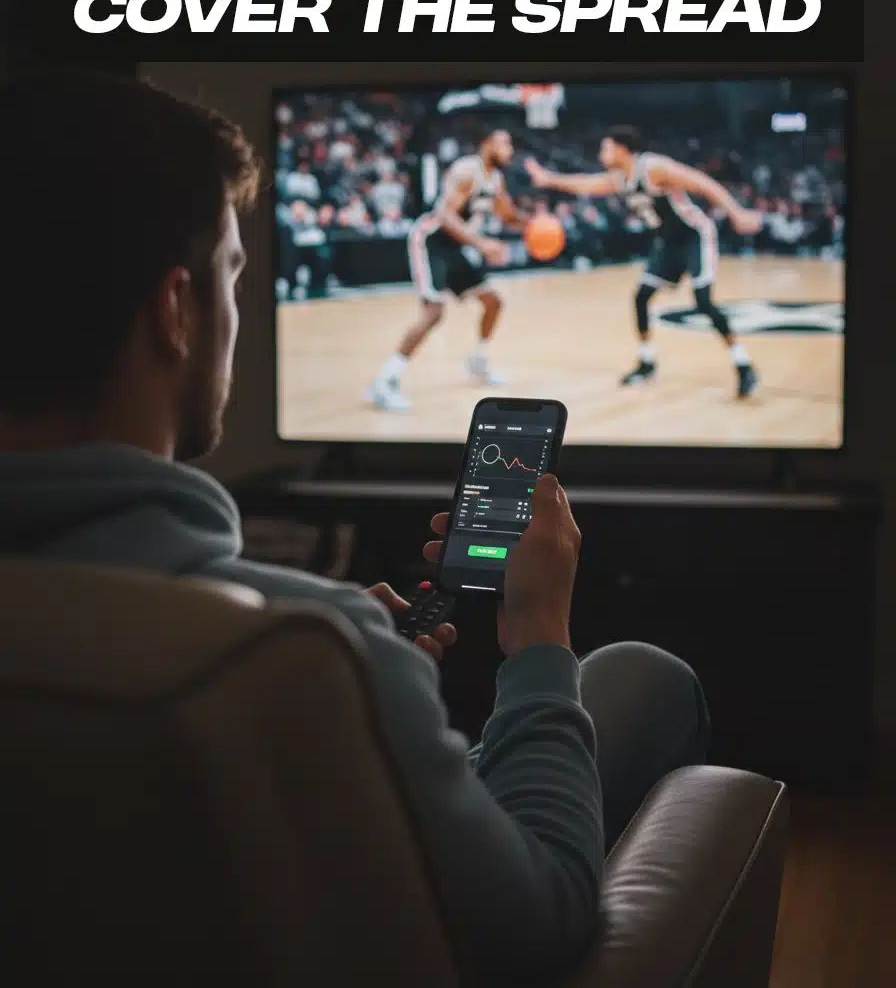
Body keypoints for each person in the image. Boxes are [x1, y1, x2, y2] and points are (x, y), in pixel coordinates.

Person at [0, 71, 710, 988]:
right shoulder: (308, 652)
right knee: (642, 677)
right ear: (176, 311)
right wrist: (537, 638)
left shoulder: (296, 644)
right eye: (231, 272)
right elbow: (541, 930)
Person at [527, 126, 762, 398]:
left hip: (694, 235)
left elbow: (701, 182)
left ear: (622, 149)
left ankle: (743, 364)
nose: (601, 154)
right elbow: (585, 183)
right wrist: (548, 179)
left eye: (606, 148)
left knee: (703, 302)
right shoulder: (619, 179)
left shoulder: (652, 167)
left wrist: (736, 212)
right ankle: (647, 361)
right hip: (667, 242)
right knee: (641, 297)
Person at [367, 126, 526, 412]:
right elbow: (446, 216)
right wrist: (481, 244)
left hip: (455, 248)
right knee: (434, 312)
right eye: (504, 144)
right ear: (486, 145)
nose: (510, 150)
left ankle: (478, 360)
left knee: (493, 301)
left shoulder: (496, 179)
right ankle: (384, 381)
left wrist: (537, 224)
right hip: (431, 241)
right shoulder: (467, 171)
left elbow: (509, 215)